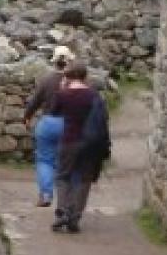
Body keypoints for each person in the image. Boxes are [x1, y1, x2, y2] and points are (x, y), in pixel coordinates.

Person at [49, 61, 112, 234]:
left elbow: (53, 112)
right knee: (84, 180)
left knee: (63, 177)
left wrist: (62, 88)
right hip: (89, 144)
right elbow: (103, 118)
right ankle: (74, 216)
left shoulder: (62, 94)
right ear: (84, 76)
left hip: (68, 141)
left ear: (67, 77)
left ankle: (62, 211)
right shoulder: (93, 95)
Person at [22, 45, 74, 207]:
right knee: (67, 161)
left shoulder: (46, 80)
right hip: (69, 124)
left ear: (54, 62)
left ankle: (45, 194)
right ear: (69, 61)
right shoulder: (75, 82)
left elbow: (34, 102)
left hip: (48, 122)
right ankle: (67, 199)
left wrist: (27, 117)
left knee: (45, 160)